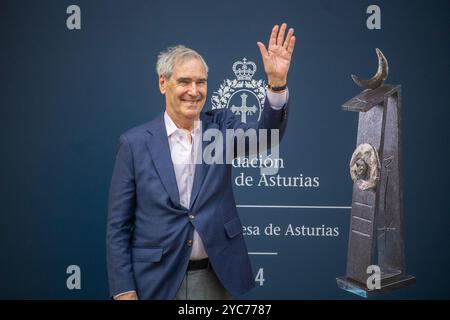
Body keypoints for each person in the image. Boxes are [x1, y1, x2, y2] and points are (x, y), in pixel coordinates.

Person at [106, 23, 296, 300]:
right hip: (156, 282)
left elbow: (267, 136)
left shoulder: (220, 129)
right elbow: (118, 226)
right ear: (163, 83)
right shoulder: (134, 143)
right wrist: (124, 291)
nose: (194, 91)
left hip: (215, 279)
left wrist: (277, 83)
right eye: (184, 81)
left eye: (201, 82)